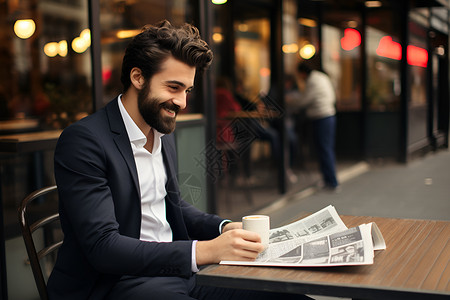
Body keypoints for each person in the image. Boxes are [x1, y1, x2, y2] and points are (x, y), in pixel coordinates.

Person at [48, 20, 310, 300]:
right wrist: (206, 250)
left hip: (175, 271)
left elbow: (169, 204)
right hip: (116, 283)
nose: (183, 103)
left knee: (291, 295)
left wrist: (223, 228)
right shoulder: (84, 141)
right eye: (173, 87)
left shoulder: (160, 129)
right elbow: (103, 247)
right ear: (138, 78)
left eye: (187, 90)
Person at [293, 62, 339, 190]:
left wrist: (292, 103)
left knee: (324, 149)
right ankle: (329, 180)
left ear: (302, 73)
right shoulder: (321, 77)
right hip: (329, 115)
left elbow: (305, 100)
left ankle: (331, 181)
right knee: (326, 148)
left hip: (322, 117)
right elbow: (332, 97)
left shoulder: (312, 80)